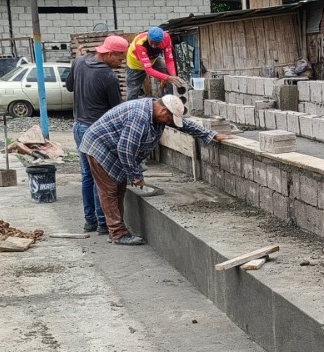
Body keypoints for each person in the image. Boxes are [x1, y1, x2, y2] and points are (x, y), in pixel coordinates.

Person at [79, 94, 233, 245]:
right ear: (163, 111)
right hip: (100, 147)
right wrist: (136, 176)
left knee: (119, 188)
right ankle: (117, 234)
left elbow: (185, 125)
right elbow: (126, 150)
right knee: (110, 190)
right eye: (169, 119)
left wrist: (211, 134)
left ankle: (115, 230)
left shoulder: (157, 113)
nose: (170, 123)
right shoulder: (139, 117)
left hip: (114, 148)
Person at [64, 35, 126, 233]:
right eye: (119, 57)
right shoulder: (109, 77)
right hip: (97, 133)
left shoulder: (79, 62)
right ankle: (102, 223)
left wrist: (75, 63)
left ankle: (89, 221)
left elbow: (69, 86)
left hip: (79, 127)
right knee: (102, 177)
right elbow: (116, 112)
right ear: (108, 54)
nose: (121, 61)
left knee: (87, 175)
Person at [124, 27, 177, 98]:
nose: (153, 46)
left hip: (152, 59)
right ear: (148, 37)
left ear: (162, 40)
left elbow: (169, 60)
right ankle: (130, 104)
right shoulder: (140, 43)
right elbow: (149, 70)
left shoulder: (166, 38)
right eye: (151, 42)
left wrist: (173, 76)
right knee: (133, 93)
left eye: (157, 44)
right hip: (135, 65)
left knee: (169, 75)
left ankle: (171, 98)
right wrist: (167, 78)